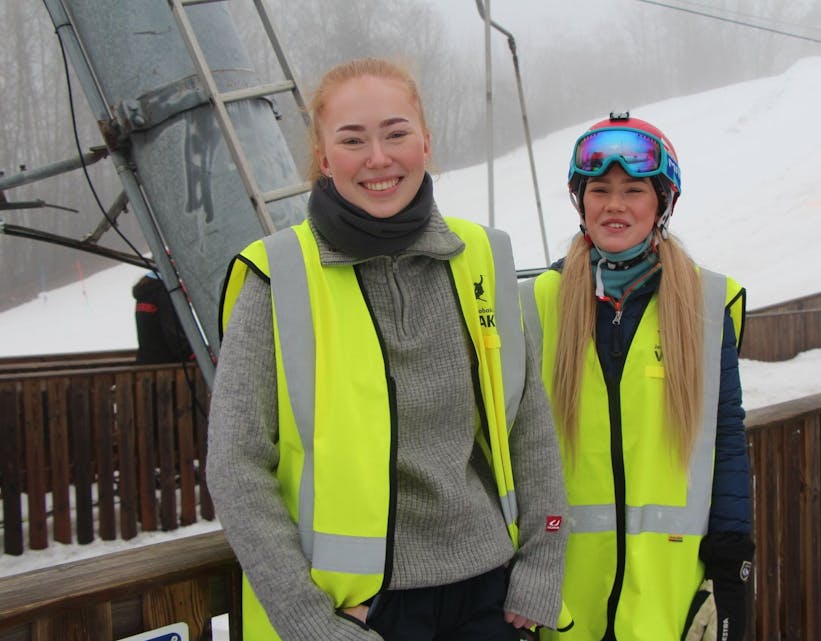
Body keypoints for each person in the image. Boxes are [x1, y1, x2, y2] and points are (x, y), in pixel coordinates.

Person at [207, 57, 571, 641]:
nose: (378, 158)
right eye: (353, 140)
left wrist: (541, 567)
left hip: (488, 595)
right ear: (324, 159)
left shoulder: (482, 257)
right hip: (359, 613)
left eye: (396, 133)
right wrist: (306, 620)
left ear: (425, 143)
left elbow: (528, 425)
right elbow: (236, 464)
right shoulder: (277, 276)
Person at [520, 113, 755, 641]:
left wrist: (731, 564)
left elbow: (726, 440)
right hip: (559, 597)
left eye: (633, 190)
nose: (615, 205)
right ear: (582, 203)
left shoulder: (704, 304)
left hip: (668, 593)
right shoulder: (539, 304)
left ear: (662, 203)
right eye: (599, 190)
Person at [132, 271, 192, 364]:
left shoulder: (147, 288)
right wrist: (190, 353)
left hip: (148, 360)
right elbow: (172, 331)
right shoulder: (164, 291)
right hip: (167, 362)